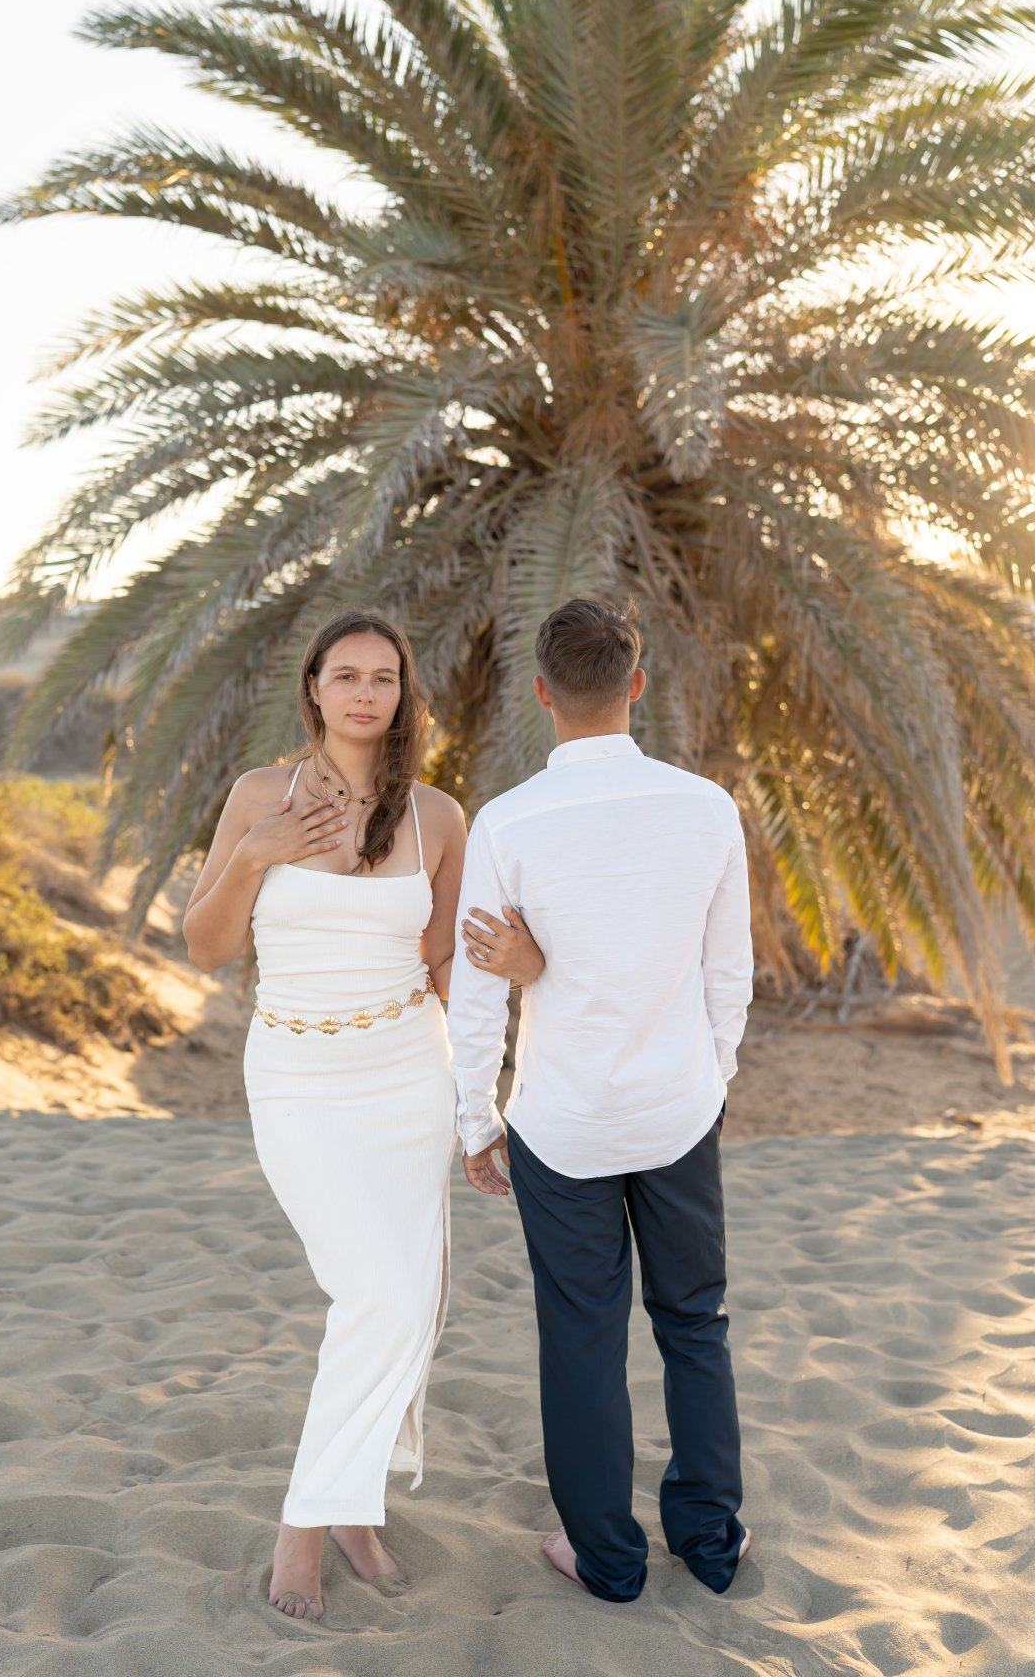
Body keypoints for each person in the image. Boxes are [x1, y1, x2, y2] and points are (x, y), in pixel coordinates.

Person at [182, 608, 539, 1623]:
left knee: (409, 1302)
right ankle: (308, 1522)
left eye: (384, 677)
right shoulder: (261, 796)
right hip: (295, 1077)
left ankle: (348, 1511)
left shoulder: (439, 817)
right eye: (347, 675)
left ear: (403, 697)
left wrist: (495, 1054)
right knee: (376, 1291)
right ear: (314, 690)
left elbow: (447, 965)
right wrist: (255, 853)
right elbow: (207, 947)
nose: (365, 693)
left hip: (405, 1076)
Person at [447, 596, 754, 1604]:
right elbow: (729, 977)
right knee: (694, 1322)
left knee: (581, 1338)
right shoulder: (707, 809)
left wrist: (476, 1123)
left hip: (562, 1126)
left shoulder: (508, 822)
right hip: (677, 1112)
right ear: (638, 682)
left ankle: (608, 1560)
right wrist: (708, 1080)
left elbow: (480, 986)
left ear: (542, 694)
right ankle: (710, 1543)